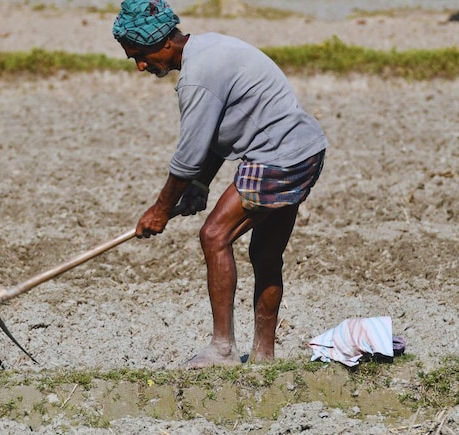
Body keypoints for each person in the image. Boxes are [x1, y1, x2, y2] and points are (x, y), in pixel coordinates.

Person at [112, 0, 328, 368]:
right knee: (265, 254)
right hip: (305, 149)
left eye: (141, 55)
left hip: (276, 156)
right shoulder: (209, 46)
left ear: (164, 43)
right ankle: (264, 357)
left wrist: (160, 210)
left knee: (214, 236)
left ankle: (222, 350)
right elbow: (214, 138)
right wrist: (200, 186)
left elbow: (189, 156)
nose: (141, 66)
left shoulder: (196, 78)